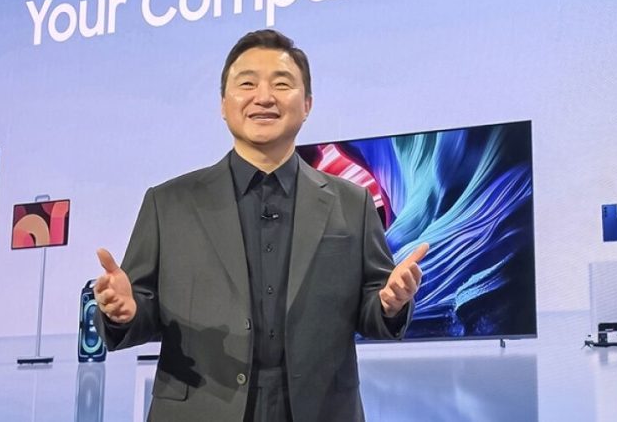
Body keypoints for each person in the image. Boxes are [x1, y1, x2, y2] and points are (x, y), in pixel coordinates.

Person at [93, 29, 426, 422]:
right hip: (200, 408)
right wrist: (124, 311)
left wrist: (389, 304)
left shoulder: (353, 202)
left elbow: (372, 308)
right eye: (247, 84)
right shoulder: (168, 202)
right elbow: (142, 307)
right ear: (223, 104)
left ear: (307, 105)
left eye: (281, 84)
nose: (264, 97)